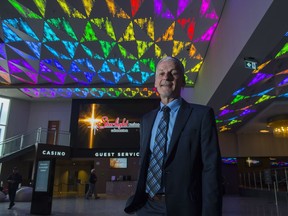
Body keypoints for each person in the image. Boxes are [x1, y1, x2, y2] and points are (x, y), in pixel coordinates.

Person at [124, 56, 222, 215]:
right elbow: (144, 160)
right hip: (147, 206)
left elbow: (211, 169)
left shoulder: (201, 115)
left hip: (185, 208)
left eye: (173, 73)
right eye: (161, 73)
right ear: (155, 82)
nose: (166, 77)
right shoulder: (146, 119)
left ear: (182, 81)